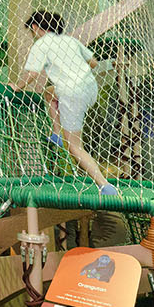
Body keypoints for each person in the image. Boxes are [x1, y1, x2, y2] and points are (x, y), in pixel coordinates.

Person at [20, 11, 116, 196]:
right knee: (49, 93)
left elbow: (32, 74)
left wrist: (17, 86)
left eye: (31, 31)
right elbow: (94, 63)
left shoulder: (41, 45)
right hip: (89, 90)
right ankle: (56, 133)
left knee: (75, 146)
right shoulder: (71, 41)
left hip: (71, 94)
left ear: (35, 28)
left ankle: (105, 185)